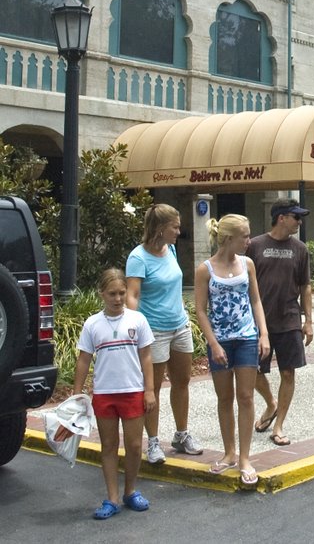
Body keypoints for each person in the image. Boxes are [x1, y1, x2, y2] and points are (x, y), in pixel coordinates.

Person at [66, 268, 155, 519]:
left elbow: (146, 356)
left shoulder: (137, 320)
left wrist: (149, 390)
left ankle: (131, 491)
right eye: (112, 294)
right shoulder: (92, 323)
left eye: (122, 293)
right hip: (105, 393)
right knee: (109, 446)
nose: (117, 299)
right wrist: (77, 393)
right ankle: (112, 498)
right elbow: (84, 359)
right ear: (101, 294)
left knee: (135, 445)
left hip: (133, 391)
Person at [194, 215, 270, 486]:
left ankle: (246, 457)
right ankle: (229, 452)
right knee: (224, 398)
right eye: (245, 236)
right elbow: (200, 309)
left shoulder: (247, 264)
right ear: (228, 238)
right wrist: (213, 343)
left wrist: (263, 334)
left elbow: (256, 300)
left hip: (247, 337)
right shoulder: (205, 269)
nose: (249, 241)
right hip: (221, 341)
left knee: (246, 397)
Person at [125, 203, 202, 464]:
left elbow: (175, 285)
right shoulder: (138, 257)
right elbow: (132, 296)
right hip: (153, 331)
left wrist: (183, 313)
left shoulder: (171, 250)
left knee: (182, 383)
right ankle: (154, 442)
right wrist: (135, 329)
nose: (179, 232)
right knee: (152, 389)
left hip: (179, 326)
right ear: (160, 228)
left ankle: (181, 436)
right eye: (175, 227)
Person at [251, 198, 313, 448]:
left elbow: (305, 286)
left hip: (288, 319)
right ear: (281, 218)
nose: (299, 221)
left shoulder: (300, 249)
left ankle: (278, 426)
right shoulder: (254, 245)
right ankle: (271, 404)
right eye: (296, 216)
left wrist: (308, 321)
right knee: (253, 370)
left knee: (288, 371)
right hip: (258, 322)